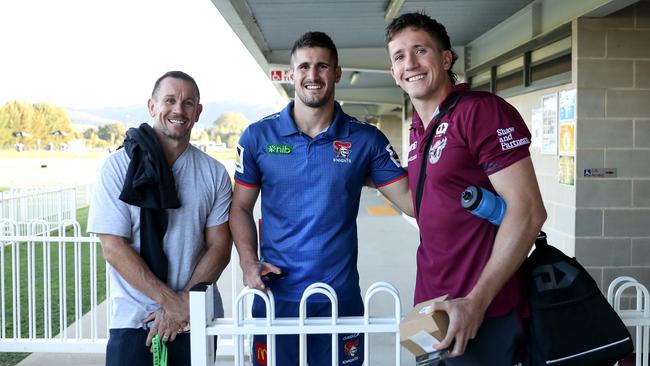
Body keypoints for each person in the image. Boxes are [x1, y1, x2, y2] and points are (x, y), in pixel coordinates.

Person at [230, 31, 413, 366]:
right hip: (277, 298)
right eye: (304, 67)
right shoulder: (258, 137)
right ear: (291, 74)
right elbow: (240, 207)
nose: (312, 76)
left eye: (322, 66)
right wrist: (247, 261)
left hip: (339, 298)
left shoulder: (365, 139)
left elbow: (413, 202)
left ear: (337, 73)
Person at [385, 13, 547, 365]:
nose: (409, 63)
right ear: (393, 73)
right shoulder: (417, 130)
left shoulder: (480, 112)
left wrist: (476, 301)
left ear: (445, 59)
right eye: (399, 56)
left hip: (482, 309)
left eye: (420, 50)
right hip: (429, 308)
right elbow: (421, 205)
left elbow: (529, 210)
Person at [87, 71, 232, 366]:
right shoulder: (117, 168)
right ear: (152, 106)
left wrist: (185, 305)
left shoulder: (213, 173)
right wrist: (172, 303)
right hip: (133, 321)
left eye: (188, 103)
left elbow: (219, 247)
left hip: (196, 319)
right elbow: (114, 248)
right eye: (169, 100)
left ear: (198, 112)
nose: (178, 109)